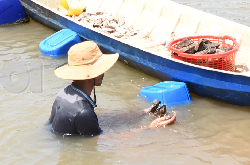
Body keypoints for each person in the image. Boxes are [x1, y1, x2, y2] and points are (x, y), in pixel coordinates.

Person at [49, 41, 177, 136]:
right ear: (90, 75)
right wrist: (150, 127)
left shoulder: (63, 94)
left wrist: (143, 113)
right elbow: (103, 141)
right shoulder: (84, 113)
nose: (103, 72)